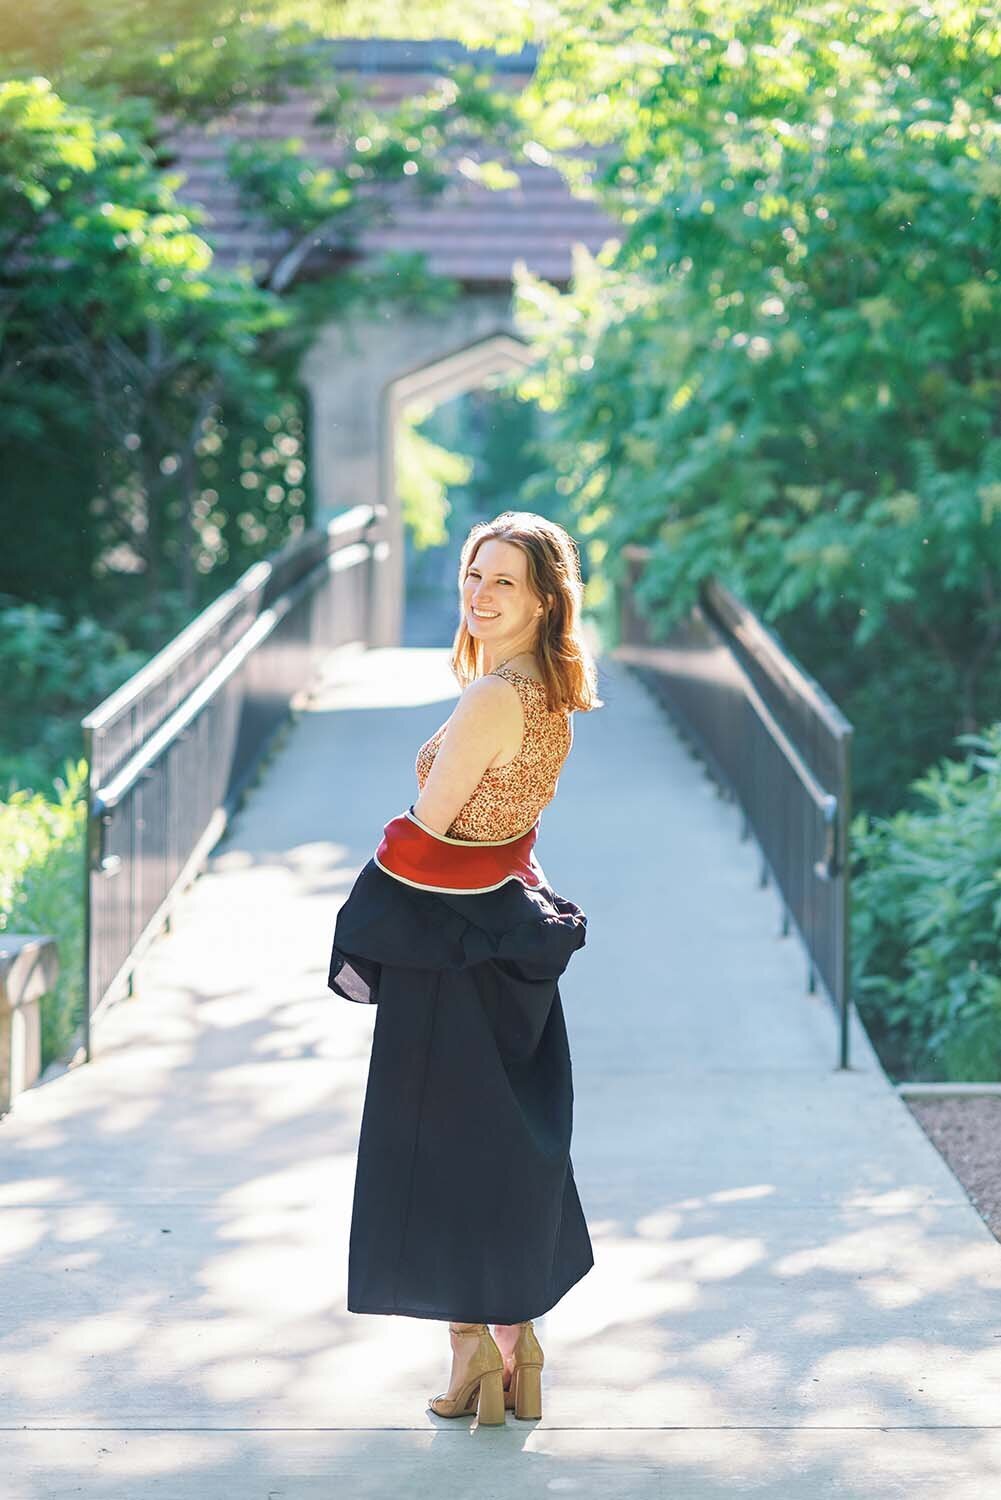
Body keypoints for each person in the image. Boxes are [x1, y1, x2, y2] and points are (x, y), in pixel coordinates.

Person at [327, 510, 603, 1425]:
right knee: (503, 1146)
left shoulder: (490, 698)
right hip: (504, 937)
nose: (480, 597)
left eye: (503, 582)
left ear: (542, 599)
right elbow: (512, 829)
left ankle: (469, 1355)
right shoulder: (548, 692)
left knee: (438, 1157)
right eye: (472, 577)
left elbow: (425, 837)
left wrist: (358, 907)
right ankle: (519, 1350)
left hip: (450, 952)